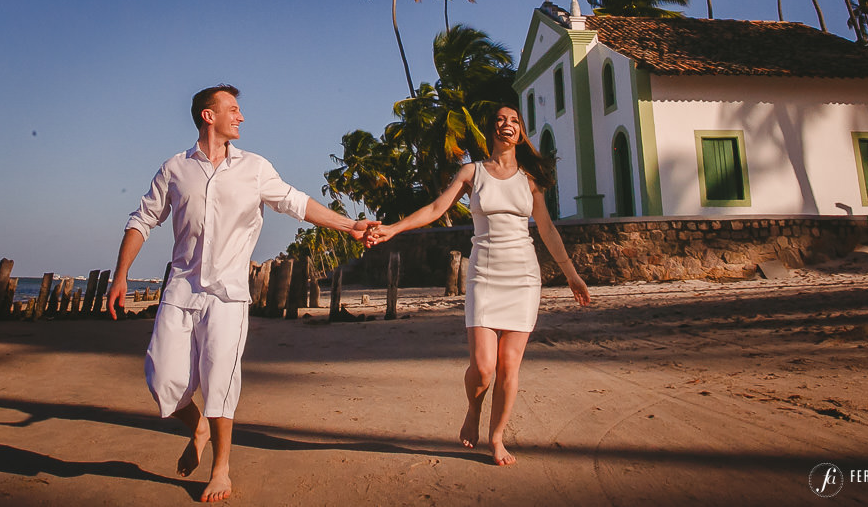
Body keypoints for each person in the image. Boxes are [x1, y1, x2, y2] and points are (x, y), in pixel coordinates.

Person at [107, 84, 375, 503]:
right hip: (180, 288)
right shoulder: (175, 168)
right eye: (232, 109)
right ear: (207, 116)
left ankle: (221, 468)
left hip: (228, 296)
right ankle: (196, 426)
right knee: (162, 381)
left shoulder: (254, 168)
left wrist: (348, 225)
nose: (241, 117)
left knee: (220, 381)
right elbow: (142, 219)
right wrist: (121, 274)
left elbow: (295, 202)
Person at [367, 104, 590, 466]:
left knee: (509, 366)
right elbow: (436, 208)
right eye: (501, 120)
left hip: (523, 278)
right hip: (484, 276)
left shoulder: (529, 179)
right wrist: (393, 228)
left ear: (520, 132)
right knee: (484, 367)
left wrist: (571, 274)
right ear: (491, 131)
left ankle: (497, 437)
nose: (508, 125)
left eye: (514, 121)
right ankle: (474, 409)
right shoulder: (472, 172)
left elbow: (546, 229)